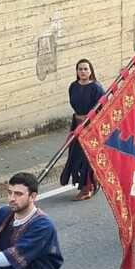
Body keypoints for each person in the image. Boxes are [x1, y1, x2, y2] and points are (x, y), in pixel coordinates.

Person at [60, 59, 105, 201]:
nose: (83, 72)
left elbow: (102, 107)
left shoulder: (96, 88)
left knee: (87, 157)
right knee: (75, 154)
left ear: (90, 70)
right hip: (77, 124)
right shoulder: (73, 86)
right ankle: (92, 180)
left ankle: (88, 187)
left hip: (91, 126)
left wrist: (91, 120)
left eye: (86, 69)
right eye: (80, 69)